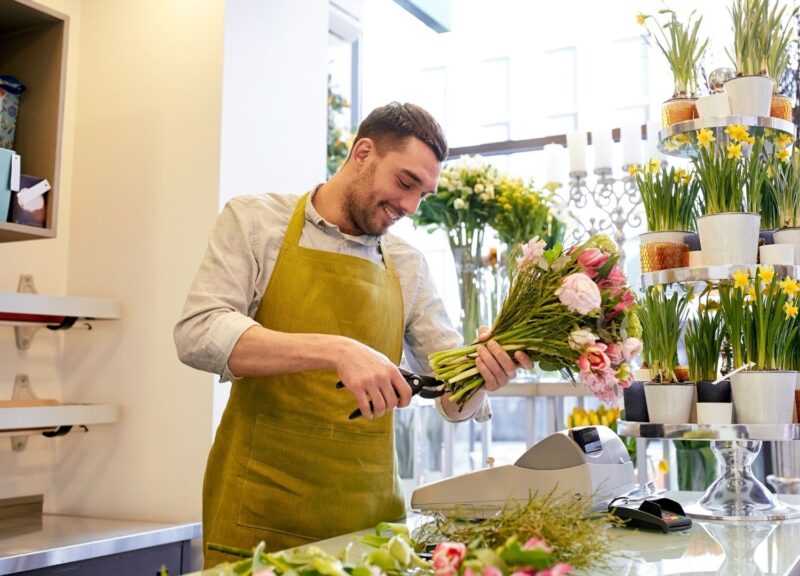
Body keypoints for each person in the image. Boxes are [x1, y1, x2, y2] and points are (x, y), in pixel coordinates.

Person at [174, 102, 532, 567]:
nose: (410, 206)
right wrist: (335, 349)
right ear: (363, 152)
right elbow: (198, 331)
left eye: (423, 194)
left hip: (368, 520)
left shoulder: (407, 264)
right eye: (405, 183)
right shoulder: (256, 221)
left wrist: (481, 376)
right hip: (258, 508)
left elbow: (451, 398)